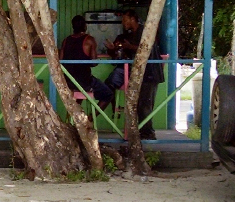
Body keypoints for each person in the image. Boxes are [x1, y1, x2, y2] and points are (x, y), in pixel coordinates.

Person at [104, 10, 164, 140]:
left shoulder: (144, 31)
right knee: (139, 104)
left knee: (145, 104)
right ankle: (141, 133)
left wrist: (129, 46)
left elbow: (145, 49)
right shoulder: (131, 34)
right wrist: (113, 49)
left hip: (150, 72)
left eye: (125, 20)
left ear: (132, 19)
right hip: (140, 74)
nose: (123, 23)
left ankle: (148, 134)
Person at [60, 15, 115, 111]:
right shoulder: (89, 40)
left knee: (80, 95)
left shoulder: (65, 41)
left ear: (73, 27)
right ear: (85, 26)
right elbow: (93, 63)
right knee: (108, 94)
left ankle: (74, 117)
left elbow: (61, 62)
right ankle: (89, 120)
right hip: (85, 82)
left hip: (68, 82)